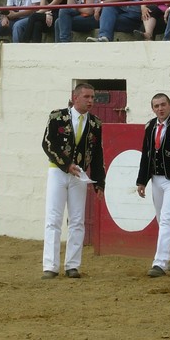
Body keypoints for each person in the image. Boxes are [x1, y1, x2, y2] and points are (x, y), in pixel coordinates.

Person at [41, 83, 105, 280]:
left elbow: (97, 154)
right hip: (58, 172)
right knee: (54, 219)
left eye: (92, 97)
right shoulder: (56, 116)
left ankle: (72, 265)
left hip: (79, 175)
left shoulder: (95, 123)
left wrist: (99, 182)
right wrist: (66, 164)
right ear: (75, 97)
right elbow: (47, 143)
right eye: (86, 97)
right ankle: (50, 266)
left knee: (77, 220)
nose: (90, 101)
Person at [136, 92, 170, 277]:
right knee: (164, 219)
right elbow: (145, 155)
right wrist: (142, 181)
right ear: (152, 108)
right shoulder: (150, 126)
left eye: (163, 104)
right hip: (156, 179)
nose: (160, 109)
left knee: (166, 219)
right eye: (156, 106)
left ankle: (160, 262)